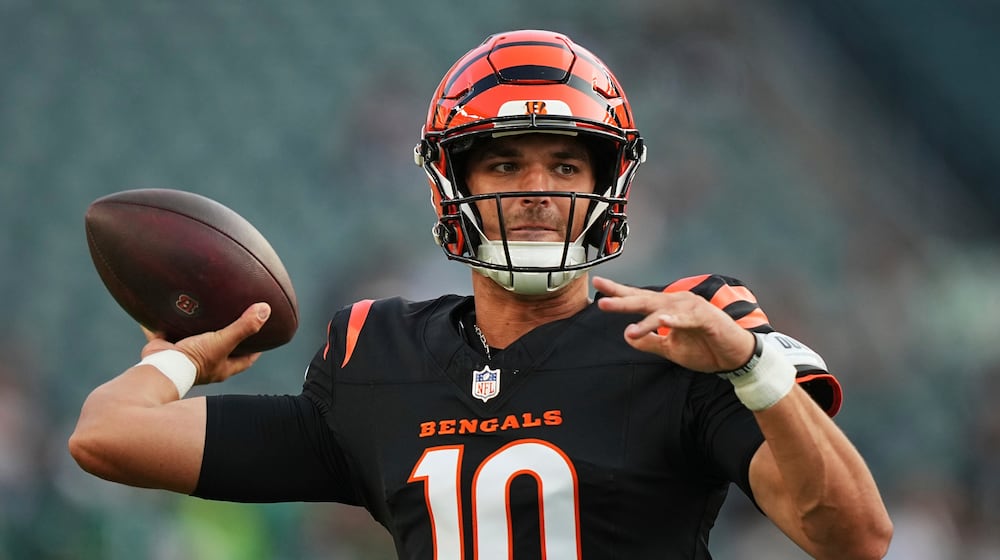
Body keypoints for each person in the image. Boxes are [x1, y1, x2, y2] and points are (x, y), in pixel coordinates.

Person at [69, 29, 892, 559]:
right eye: (504, 163)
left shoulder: (682, 333)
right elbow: (106, 436)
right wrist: (186, 362)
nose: (537, 188)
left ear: (610, 187)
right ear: (451, 186)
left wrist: (753, 368)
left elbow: (854, 538)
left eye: (566, 165)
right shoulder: (374, 356)